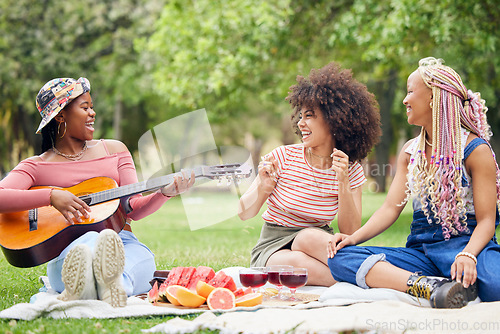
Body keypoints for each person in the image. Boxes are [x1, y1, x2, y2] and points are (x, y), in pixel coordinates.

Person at [0, 77, 195, 307]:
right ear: (60, 115)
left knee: (142, 258)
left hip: (122, 242)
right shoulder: (37, 166)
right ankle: (101, 283)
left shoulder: (114, 150)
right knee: (91, 240)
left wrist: (165, 193)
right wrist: (51, 196)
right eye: (84, 108)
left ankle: (109, 286)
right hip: (69, 252)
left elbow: (133, 209)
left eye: (92, 107)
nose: (92, 113)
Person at [327, 57, 500, 308]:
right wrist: (353, 238)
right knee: (340, 259)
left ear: (434, 98)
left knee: (496, 283)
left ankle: (458, 277)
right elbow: (390, 208)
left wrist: (468, 255)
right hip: (422, 253)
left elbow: (486, 220)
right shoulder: (410, 152)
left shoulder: (474, 150)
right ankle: (429, 286)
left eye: (410, 92)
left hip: (466, 245)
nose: (405, 100)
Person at [238, 62, 381, 286]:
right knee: (296, 262)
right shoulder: (282, 157)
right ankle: (372, 280)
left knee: (308, 236)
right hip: (274, 247)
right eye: (301, 116)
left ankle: (369, 277)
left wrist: (342, 181)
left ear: (335, 119)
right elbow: (244, 214)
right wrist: (263, 188)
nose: (301, 123)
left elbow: (350, 231)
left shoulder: (350, 167)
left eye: (310, 116)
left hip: (317, 244)